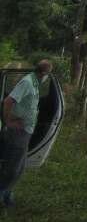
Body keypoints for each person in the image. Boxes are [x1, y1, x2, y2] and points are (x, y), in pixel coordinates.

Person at [0, 59, 52, 207]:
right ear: (43, 73)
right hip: (17, 133)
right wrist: (8, 121)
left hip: (25, 132)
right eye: (48, 74)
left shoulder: (34, 83)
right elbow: (8, 101)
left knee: (19, 167)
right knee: (12, 167)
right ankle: (2, 193)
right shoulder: (27, 83)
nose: (48, 77)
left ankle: (7, 192)